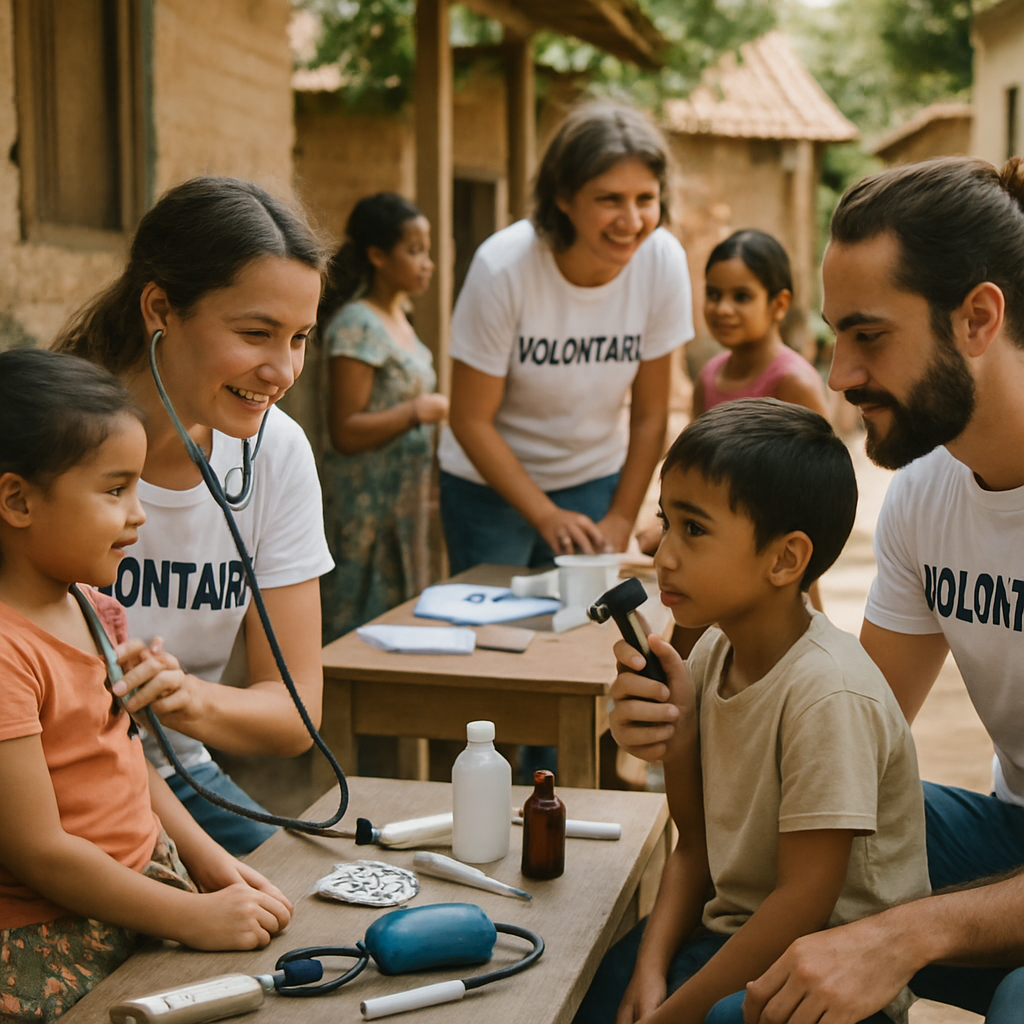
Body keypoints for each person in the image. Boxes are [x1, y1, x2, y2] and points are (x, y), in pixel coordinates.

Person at [612, 157, 1024, 1023]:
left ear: (979, 318)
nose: (838, 375)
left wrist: (906, 935)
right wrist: (686, 724)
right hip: (1006, 832)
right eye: (836, 335)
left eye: (870, 336)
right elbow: (850, 728)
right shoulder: (927, 492)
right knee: (781, 829)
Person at [574, 399, 929, 1024]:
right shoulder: (713, 651)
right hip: (733, 937)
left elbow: (802, 904)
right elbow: (695, 846)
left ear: (785, 559)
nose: (663, 555)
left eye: (695, 529)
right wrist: (650, 969)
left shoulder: (827, 694)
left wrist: (673, 1013)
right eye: (666, 521)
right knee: (600, 988)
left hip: (832, 977)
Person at [0, 350, 292, 1021]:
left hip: (146, 892)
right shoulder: (8, 652)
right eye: (114, 490)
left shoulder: (92, 607)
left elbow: (130, 764)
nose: (138, 515)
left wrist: (213, 864)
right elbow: (38, 850)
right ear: (17, 500)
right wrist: (193, 917)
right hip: (50, 943)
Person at [52, 177, 334, 856]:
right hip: (52, 781)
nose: (282, 370)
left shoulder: (278, 452)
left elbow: (296, 712)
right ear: (160, 308)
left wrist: (187, 700)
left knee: (311, 903)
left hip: (183, 777)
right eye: (255, 333)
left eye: (298, 338)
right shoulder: (44, 440)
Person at [438, 101, 694, 573]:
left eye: (645, 199)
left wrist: (621, 514)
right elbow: (470, 418)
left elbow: (651, 412)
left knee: (584, 632)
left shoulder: (662, 262)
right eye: (608, 199)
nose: (631, 220)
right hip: (488, 489)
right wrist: (543, 514)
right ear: (562, 195)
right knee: (494, 635)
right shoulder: (503, 268)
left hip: (594, 478)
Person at [640, 229, 830, 612]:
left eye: (741, 297)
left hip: (774, 566)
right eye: (714, 294)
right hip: (712, 560)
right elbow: (696, 474)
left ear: (779, 304)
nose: (723, 308)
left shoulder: (792, 382)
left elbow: (822, 491)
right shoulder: (709, 378)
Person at [318, 192, 448, 644]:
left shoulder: (401, 318)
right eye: (414, 251)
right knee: (357, 628)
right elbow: (345, 430)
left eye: (427, 251)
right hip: (364, 511)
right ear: (376, 255)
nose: (426, 263)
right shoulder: (357, 323)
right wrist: (418, 411)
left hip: (405, 505)